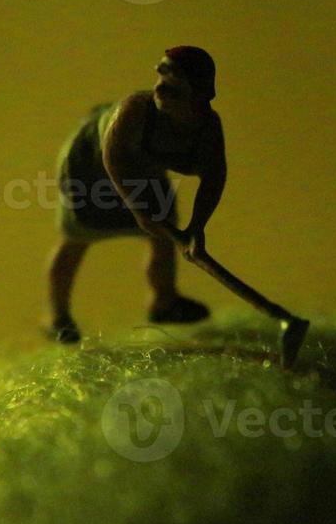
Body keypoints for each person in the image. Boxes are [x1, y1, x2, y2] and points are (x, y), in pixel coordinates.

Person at [46, 46, 226, 344]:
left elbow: (213, 177)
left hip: (144, 172)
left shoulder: (207, 128)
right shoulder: (134, 111)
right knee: (77, 237)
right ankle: (57, 316)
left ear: (200, 94)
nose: (160, 88)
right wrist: (140, 210)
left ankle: (163, 301)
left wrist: (197, 228)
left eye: (173, 86)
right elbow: (114, 159)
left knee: (164, 237)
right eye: (160, 81)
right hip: (89, 165)